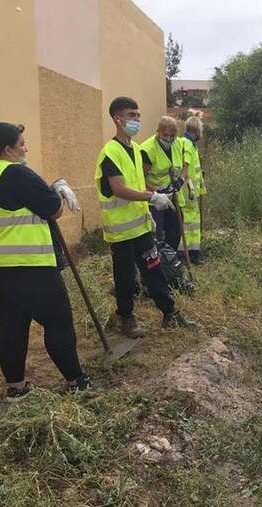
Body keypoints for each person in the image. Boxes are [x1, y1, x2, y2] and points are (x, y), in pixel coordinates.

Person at [0, 122, 91, 400]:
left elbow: (24, 201)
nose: (26, 148)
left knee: (12, 324)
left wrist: (49, 189)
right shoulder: (15, 172)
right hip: (27, 265)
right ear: (8, 149)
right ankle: (76, 382)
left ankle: (16, 388)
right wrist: (59, 189)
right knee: (57, 320)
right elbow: (54, 209)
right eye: (22, 144)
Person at [96, 97, 195, 337]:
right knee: (125, 277)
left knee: (154, 268)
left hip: (140, 226)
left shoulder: (137, 150)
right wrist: (152, 198)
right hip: (120, 230)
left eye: (138, 115)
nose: (137, 120)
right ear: (117, 118)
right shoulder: (110, 153)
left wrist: (154, 197)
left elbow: (140, 183)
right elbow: (119, 188)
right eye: (132, 115)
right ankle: (126, 319)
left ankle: (169, 313)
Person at [140, 116, 187, 251]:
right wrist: (155, 194)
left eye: (172, 136)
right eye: (165, 135)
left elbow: (185, 165)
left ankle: (170, 261)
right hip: (155, 199)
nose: (168, 139)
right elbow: (140, 178)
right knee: (157, 234)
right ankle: (157, 264)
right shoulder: (147, 150)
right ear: (158, 132)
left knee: (176, 230)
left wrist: (181, 180)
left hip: (172, 196)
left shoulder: (178, 144)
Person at [179, 115, 206, 264]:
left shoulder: (189, 144)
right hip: (187, 192)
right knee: (188, 223)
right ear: (197, 130)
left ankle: (193, 254)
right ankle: (186, 256)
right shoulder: (187, 144)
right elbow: (185, 168)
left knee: (192, 223)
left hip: (191, 192)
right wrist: (190, 189)